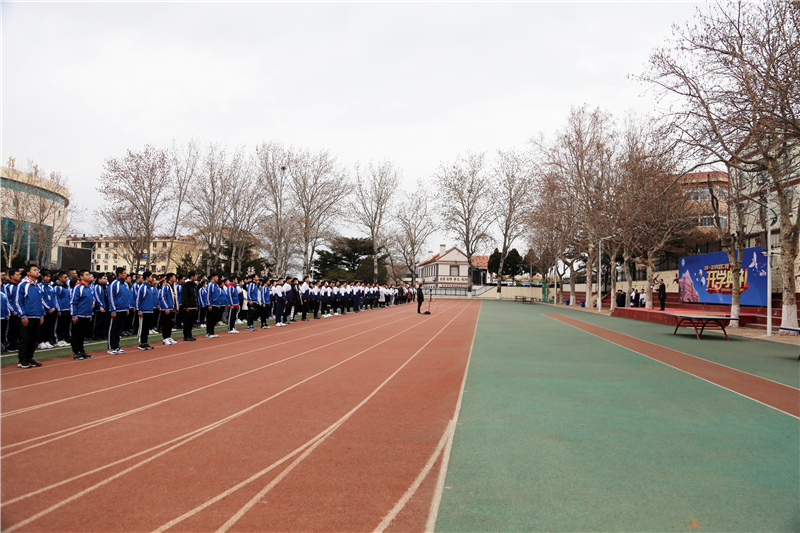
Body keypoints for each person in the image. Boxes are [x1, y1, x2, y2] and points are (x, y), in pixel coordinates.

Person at [15, 264, 45, 368]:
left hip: (37, 316)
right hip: (27, 316)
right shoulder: (23, 285)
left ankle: (29, 357)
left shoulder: (37, 285)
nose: (37, 272)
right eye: (34, 270)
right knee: (25, 339)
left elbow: (40, 301)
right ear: (28, 272)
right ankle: (22, 360)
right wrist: (23, 315)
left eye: (38, 270)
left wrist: (42, 314)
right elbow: (18, 301)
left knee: (33, 339)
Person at [70, 269, 95, 360]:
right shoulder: (78, 287)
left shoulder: (90, 288)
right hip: (79, 314)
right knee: (76, 334)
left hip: (87, 314)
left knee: (82, 334)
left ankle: (81, 350)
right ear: (81, 277)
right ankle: (76, 352)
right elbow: (73, 301)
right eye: (86, 274)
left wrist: (90, 314)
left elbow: (90, 302)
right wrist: (74, 315)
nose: (89, 276)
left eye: (89, 274)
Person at [108, 267, 133, 355]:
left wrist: (127, 308)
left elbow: (127, 297)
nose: (126, 275)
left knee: (119, 329)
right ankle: (111, 347)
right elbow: (111, 297)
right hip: (117, 310)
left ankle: (117, 346)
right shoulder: (114, 284)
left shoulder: (125, 284)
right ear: (119, 274)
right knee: (113, 329)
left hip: (124, 309)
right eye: (124, 273)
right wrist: (113, 310)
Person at [135, 271, 158, 350]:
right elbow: (138, 299)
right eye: (151, 277)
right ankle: (141, 343)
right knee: (142, 327)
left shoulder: (149, 287)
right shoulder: (143, 287)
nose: (152, 278)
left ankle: (145, 342)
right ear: (147, 277)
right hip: (144, 310)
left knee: (147, 327)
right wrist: (139, 310)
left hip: (149, 310)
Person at [159, 273, 179, 345]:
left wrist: (176, 307)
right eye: (174, 277)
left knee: (170, 323)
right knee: (166, 323)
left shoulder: (173, 286)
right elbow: (162, 297)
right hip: (167, 308)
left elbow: (175, 297)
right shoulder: (165, 286)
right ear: (170, 278)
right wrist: (166, 307)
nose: (175, 278)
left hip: (172, 307)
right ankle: (165, 338)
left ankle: (169, 336)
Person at [54, 271, 72, 346]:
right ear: (60, 278)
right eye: (64, 277)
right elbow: (56, 299)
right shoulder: (57, 287)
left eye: (66, 277)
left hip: (67, 308)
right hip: (61, 309)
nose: (66, 279)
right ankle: (58, 339)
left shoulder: (66, 287)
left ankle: (64, 338)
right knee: (59, 325)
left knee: (65, 325)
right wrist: (59, 310)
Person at [182, 272, 199, 341]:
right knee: (187, 322)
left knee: (191, 322)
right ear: (191, 277)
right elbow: (184, 296)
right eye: (195, 276)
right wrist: (186, 306)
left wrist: (196, 305)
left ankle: (190, 334)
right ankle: (186, 335)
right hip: (189, 306)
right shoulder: (186, 285)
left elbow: (196, 296)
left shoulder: (194, 285)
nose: (196, 277)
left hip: (194, 306)